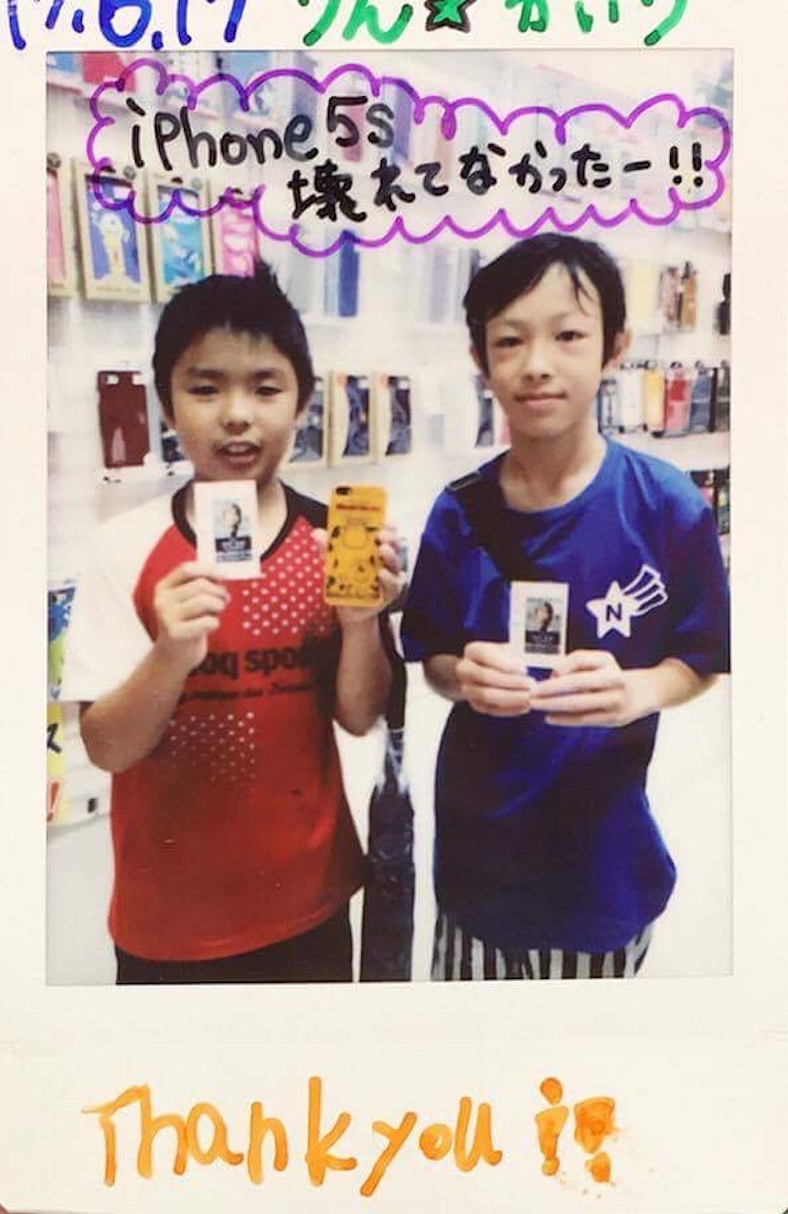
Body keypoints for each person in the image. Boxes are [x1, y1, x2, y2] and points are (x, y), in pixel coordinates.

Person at [401, 234, 729, 981]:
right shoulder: (458, 513)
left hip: (604, 860)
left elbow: (703, 655)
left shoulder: (667, 506)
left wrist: (640, 689)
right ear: (480, 358)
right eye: (509, 340)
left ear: (615, 348)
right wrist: (462, 676)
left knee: (591, 1049)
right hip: (481, 858)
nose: (537, 364)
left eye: (569, 336)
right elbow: (434, 656)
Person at [61, 268, 402, 985]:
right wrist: (170, 654)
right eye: (206, 388)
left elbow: (360, 715)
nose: (237, 414)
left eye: (266, 388)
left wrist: (363, 624)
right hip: (169, 922)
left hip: (311, 904)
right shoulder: (125, 548)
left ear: (303, 402)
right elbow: (107, 747)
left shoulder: (334, 537)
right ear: (167, 404)